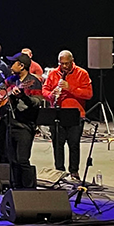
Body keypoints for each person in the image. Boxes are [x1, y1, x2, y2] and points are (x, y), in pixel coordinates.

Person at [0, 52, 44, 189]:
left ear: (21, 66)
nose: (10, 66)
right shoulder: (11, 80)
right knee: (12, 160)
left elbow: (37, 102)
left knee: (22, 159)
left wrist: (23, 97)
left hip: (24, 126)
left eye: (13, 63)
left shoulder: (33, 81)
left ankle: (28, 189)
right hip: (10, 124)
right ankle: (15, 188)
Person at [42, 50, 93, 180]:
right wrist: (51, 94)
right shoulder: (53, 73)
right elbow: (44, 90)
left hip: (75, 114)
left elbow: (88, 94)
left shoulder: (82, 73)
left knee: (74, 144)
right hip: (57, 113)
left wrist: (70, 88)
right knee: (57, 144)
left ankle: (74, 171)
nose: (64, 66)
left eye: (67, 63)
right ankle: (59, 171)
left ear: (72, 61)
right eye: (62, 63)